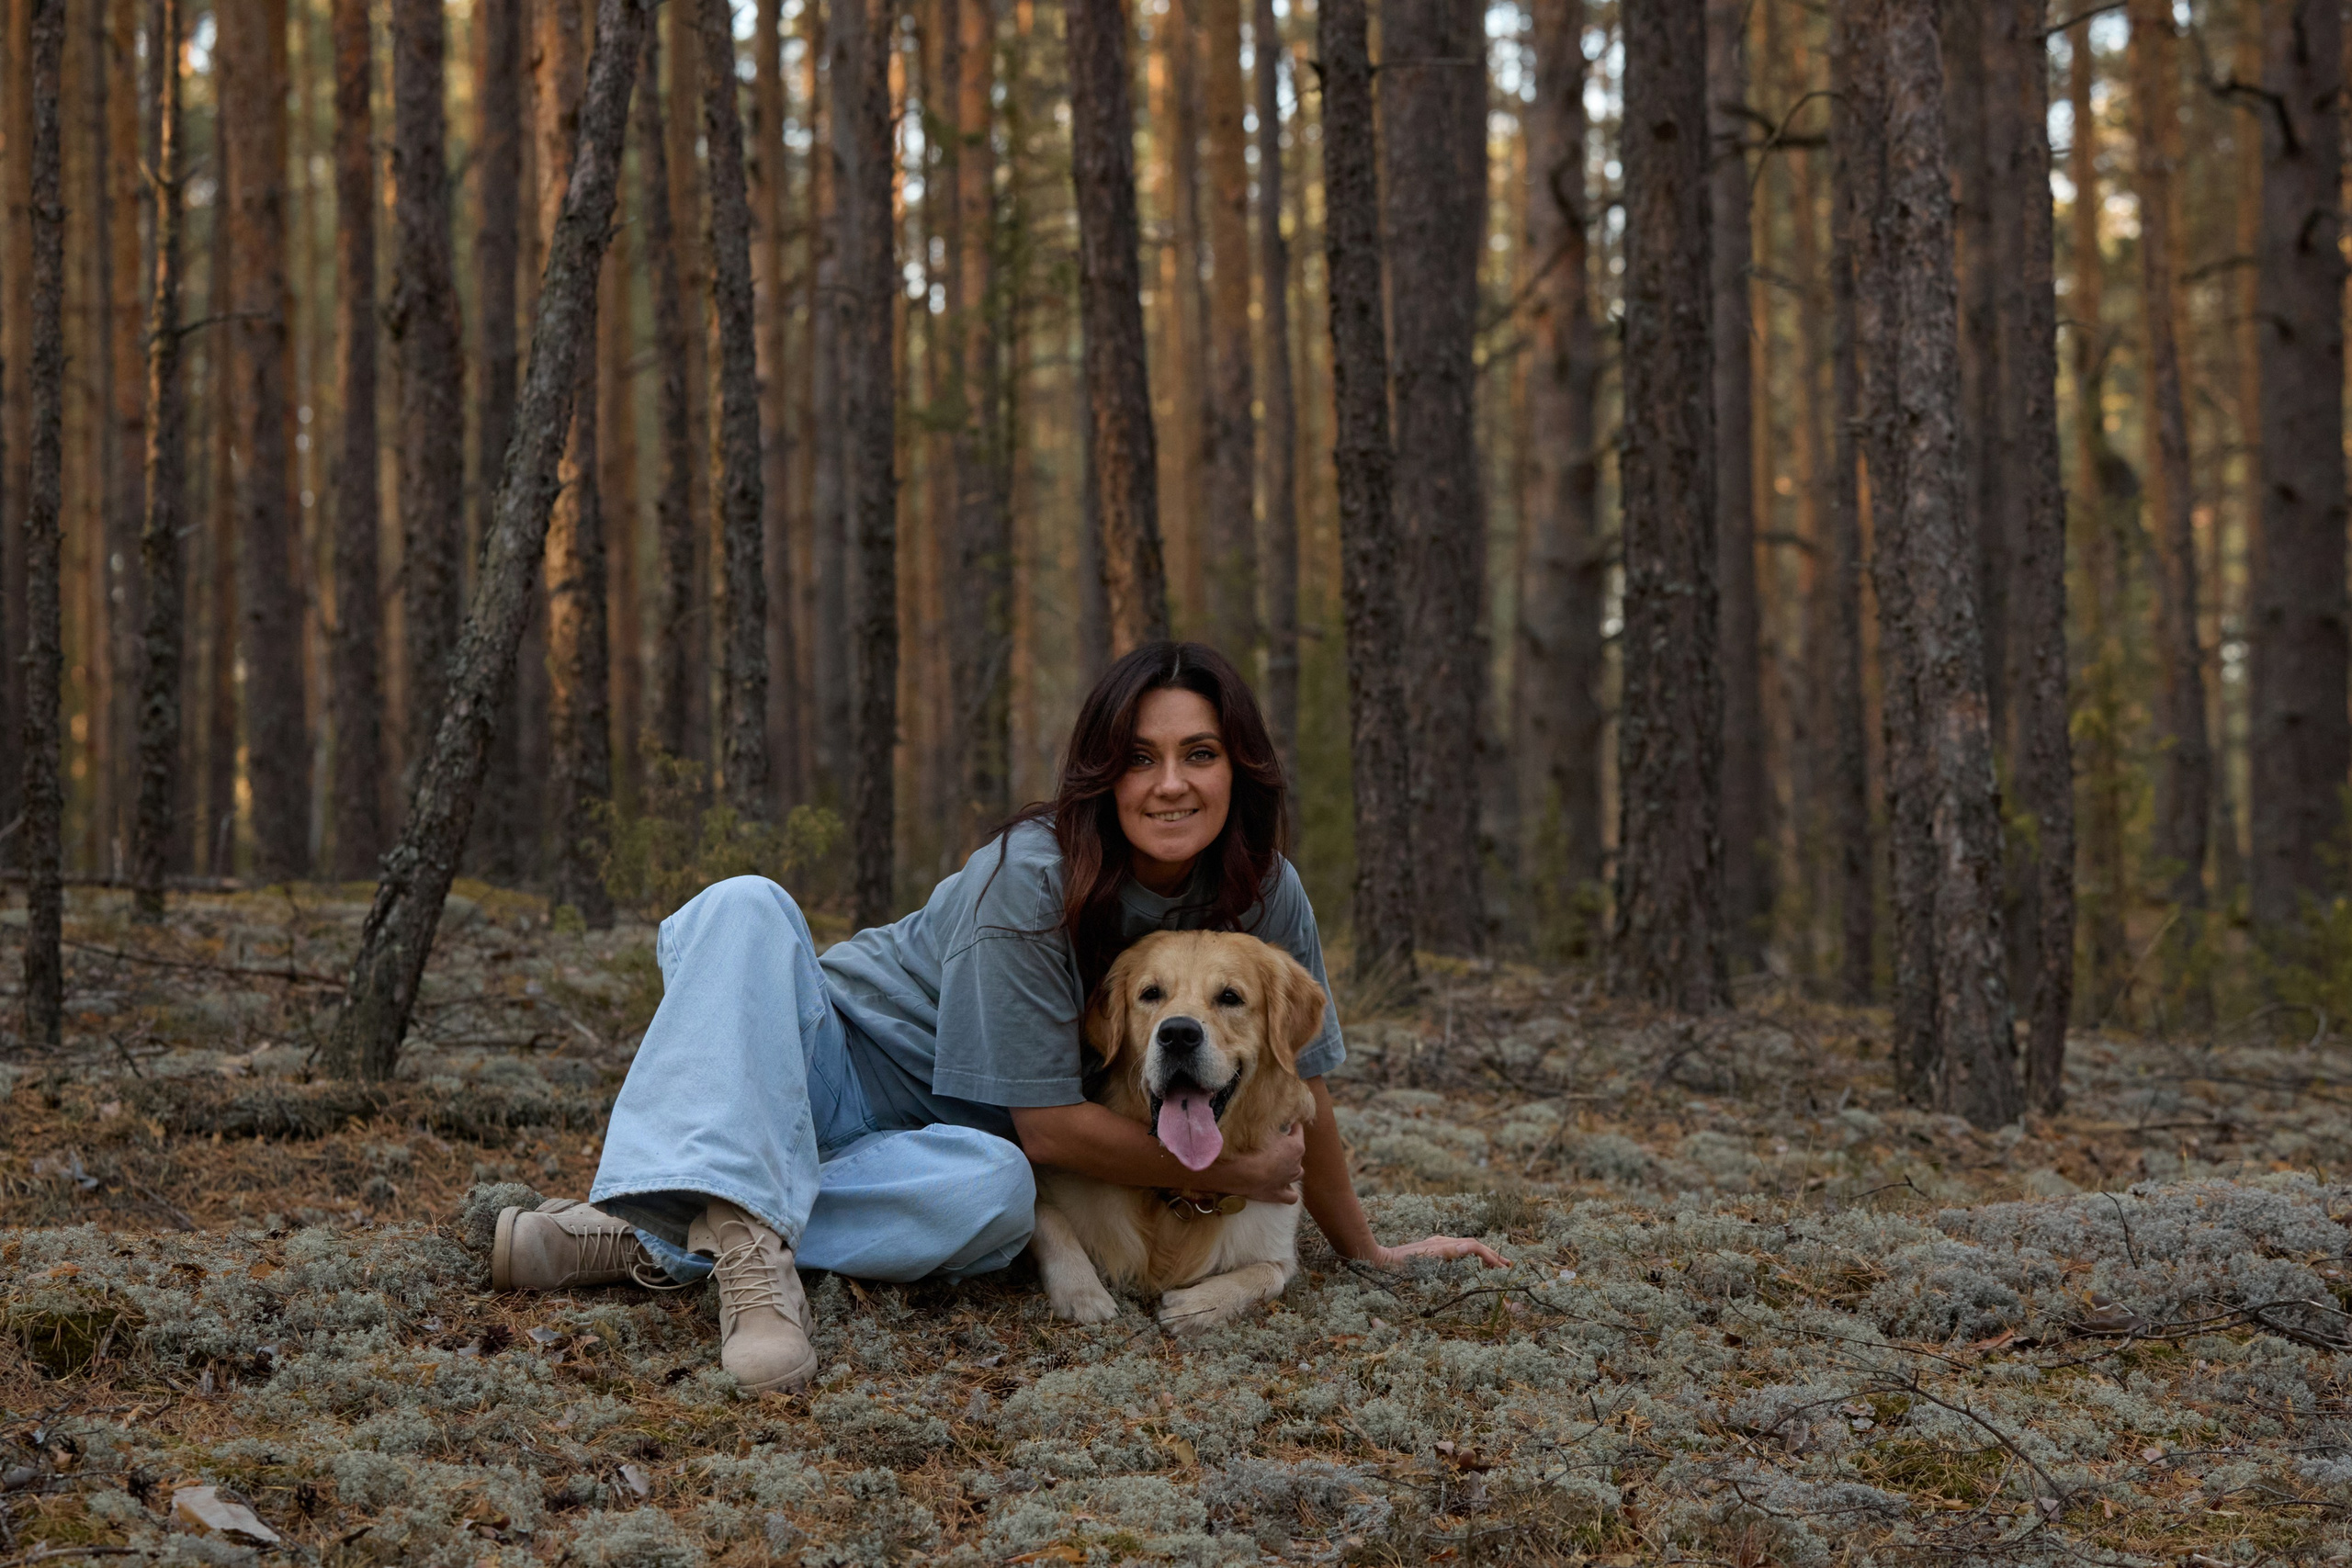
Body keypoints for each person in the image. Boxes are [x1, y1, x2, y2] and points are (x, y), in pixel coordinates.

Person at [493, 641, 1505, 1393]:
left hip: (945, 1145)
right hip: (821, 1067)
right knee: (743, 904)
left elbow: (1302, 1090)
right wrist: (1233, 1173)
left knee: (998, 1195)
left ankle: (670, 1230)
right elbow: (1056, 1127)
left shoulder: (1266, 893)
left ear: (1237, 767)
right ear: (1102, 774)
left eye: (1198, 753)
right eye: (1142, 757)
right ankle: (751, 1273)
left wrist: (1363, 1251)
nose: (1170, 783)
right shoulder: (1029, 881)